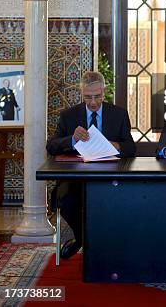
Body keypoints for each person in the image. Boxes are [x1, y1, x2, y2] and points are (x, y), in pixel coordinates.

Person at [46, 71, 136, 259]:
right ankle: (82, 238)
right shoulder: (68, 116)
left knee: (123, 202)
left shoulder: (119, 114)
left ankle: (93, 242)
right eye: (88, 97)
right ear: (82, 93)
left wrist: (116, 145)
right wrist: (72, 140)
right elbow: (52, 146)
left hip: (109, 176)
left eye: (97, 96)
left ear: (104, 91)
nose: (93, 102)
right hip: (77, 177)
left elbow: (131, 147)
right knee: (65, 199)